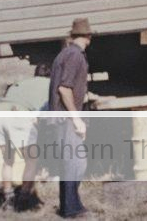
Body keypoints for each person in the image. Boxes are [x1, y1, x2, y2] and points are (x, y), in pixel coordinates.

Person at [48, 18, 93, 218]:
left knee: (75, 162)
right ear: (88, 37)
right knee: (73, 163)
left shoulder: (64, 54)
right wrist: (76, 119)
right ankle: (70, 209)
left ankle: (72, 205)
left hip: (62, 116)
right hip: (67, 117)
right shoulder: (76, 56)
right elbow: (64, 89)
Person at [0, 64, 51, 210]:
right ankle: (24, 199)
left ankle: (8, 198)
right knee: (31, 160)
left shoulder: (22, 83)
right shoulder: (49, 84)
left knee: (8, 160)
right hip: (18, 113)